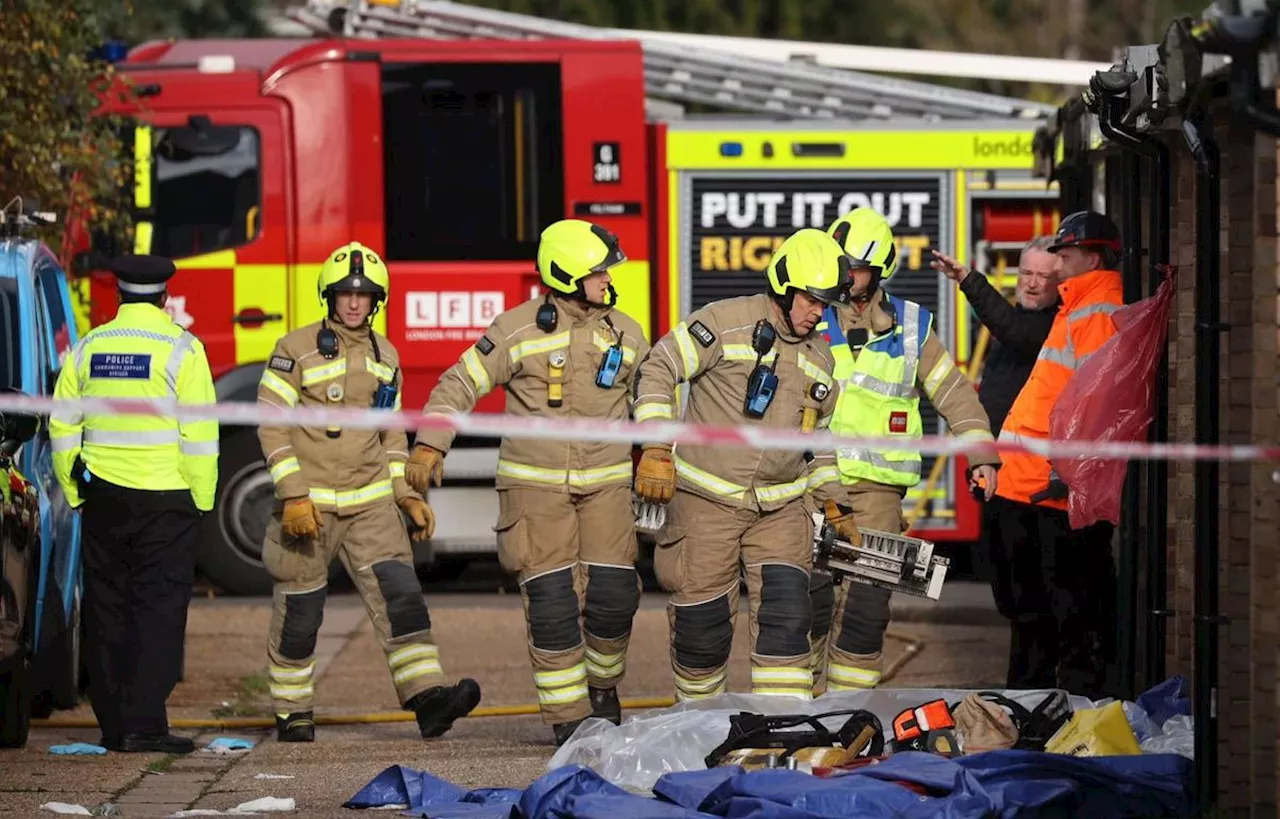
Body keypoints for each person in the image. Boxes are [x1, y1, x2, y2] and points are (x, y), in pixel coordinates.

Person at [405, 219, 650, 746]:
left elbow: (654, 400)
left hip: (606, 489)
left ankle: (602, 688)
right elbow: (459, 383)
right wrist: (430, 443)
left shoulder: (627, 332)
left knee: (613, 597)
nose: (607, 279)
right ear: (566, 275)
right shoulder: (516, 329)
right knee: (553, 603)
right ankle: (568, 718)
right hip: (534, 492)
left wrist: (658, 453)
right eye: (598, 271)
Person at [255, 241, 480, 743]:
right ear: (328, 297)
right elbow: (270, 425)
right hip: (307, 509)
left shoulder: (387, 356)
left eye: (364, 295)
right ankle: (293, 712)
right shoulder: (295, 349)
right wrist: (293, 495)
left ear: (377, 300)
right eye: (345, 294)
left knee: (402, 599)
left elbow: (391, 433)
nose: (354, 303)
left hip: (370, 507)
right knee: (300, 611)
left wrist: (404, 495)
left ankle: (429, 700)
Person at [631, 228, 861, 703]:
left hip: (780, 511)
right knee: (702, 628)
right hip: (705, 504)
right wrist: (656, 448)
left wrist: (836, 504)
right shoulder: (723, 322)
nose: (819, 313)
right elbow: (658, 368)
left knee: (788, 618)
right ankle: (701, 727)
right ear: (783, 285)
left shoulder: (820, 358)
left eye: (826, 304)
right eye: (812, 300)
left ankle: (783, 730)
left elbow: (815, 441)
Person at [806, 207, 1001, 695]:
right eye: (842, 264)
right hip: (809, 482)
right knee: (805, 603)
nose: (847, 276)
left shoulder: (911, 328)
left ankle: (850, 711)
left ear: (881, 270)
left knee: (867, 606)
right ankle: (797, 709)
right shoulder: (805, 314)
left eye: (857, 268)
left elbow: (954, 392)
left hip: (877, 494)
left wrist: (981, 454)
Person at [49, 254, 219, 754]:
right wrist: (201, 501)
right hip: (167, 501)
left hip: (104, 497)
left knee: (107, 607)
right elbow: (201, 435)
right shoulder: (183, 350)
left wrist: (76, 487)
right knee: (159, 608)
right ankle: (146, 726)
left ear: (119, 296)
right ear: (165, 298)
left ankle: (114, 726)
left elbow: (61, 425)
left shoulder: (88, 348)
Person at [985, 210, 1125, 698]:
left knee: (1063, 614)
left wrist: (1069, 473)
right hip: (1025, 484)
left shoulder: (1097, 310)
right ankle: (1029, 709)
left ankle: (1058, 712)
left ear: (1091, 256)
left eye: (1064, 256)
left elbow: (1097, 401)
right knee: (1031, 613)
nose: (1057, 266)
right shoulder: (1078, 305)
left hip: (1051, 490)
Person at [929, 236, 1061, 433]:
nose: (1032, 283)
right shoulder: (1015, 321)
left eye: (1043, 276)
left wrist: (968, 280)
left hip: (1026, 451)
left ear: (1059, 282)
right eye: (1026, 273)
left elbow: (1015, 329)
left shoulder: (1055, 325)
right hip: (995, 449)